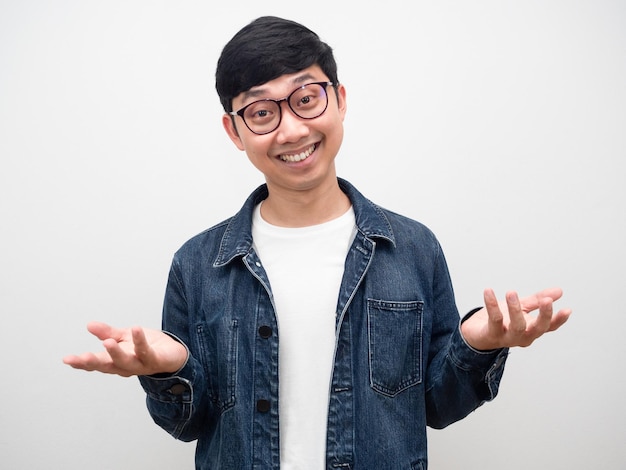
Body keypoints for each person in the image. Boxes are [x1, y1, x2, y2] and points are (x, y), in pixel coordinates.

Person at [63, 16, 571, 469]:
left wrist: (477, 346)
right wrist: (168, 371)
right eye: (262, 113)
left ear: (340, 100)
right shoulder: (197, 264)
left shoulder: (413, 247)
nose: (291, 129)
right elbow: (189, 425)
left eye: (306, 99)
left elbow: (436, 407)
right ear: (234, 132)